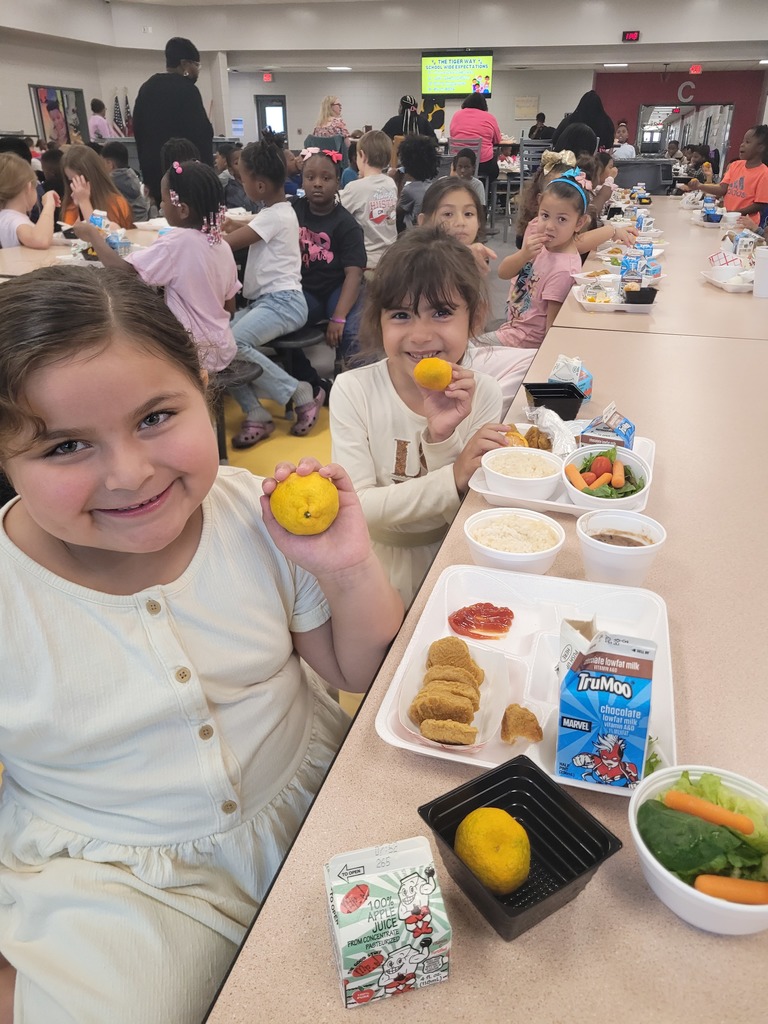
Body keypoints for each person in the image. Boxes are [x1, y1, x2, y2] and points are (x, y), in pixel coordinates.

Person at [0, 265, 403, 1024]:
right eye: (63, 449)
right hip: (114, 880)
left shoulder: (253, 511)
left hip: (312, 795)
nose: (129, 473)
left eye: (155, 418)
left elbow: (362, 673)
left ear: (205, 383)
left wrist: (347, 568)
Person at [330, 226, 506, 605]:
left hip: (453, 560)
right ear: (378, 320)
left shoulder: (485, 393)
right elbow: (358, 507)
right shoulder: (353, 391)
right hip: (372, 564)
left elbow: (471, 514)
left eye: (441, 312)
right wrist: (454, 475)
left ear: (474, 319)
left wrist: (444, 440)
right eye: (401, 315)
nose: (421, 335)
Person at [73, 159, 239, 373]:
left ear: (183, 210)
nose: (160, 205)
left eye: (163, 200)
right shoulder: (222, 245)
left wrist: (93, 236)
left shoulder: (177, 241)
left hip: (192, 351)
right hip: (224, 347)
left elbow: (121, 272)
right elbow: (231, 309)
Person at [220, 141, 323, 447]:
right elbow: (256, 225)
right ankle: (255, 412)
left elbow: (227, 244)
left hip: (284, 303)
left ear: (260, 185)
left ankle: (298, 393)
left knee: (233, 343)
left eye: (244, 180)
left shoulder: (272, 216)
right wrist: (238, 222)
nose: (244, 185)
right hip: (272, 302)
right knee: (218, 343)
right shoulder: (279, 210)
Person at [479, 169, 592, 352]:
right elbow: (503, 272)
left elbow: (552, 327)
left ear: (579, 223)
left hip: (524, 344)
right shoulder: (540, 241)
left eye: (562, 219)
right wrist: (524, 254)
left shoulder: (563, 269)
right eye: (545, 215)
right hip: (513, 327)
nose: (549, 226)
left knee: (464, 351)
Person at [293, 148, 366, 367]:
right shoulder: (293, 209)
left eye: (326, 178)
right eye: (310, 177)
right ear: (302, 181)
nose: (317, 183)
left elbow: (354, 274)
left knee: (353, 333)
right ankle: (305, 378)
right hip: (306, 289)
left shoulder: (346, 224)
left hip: (339, 288)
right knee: (281, 322)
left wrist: (338, 317)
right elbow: (264, 226)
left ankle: (352, 379)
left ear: (337, 184)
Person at [133, 36, 214, 205]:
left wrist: (147, 177)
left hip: (155, 175)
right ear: (184, 64)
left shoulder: (147, 87)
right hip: (186, 177)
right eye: (196, 65)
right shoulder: (188, 90)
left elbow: (138, 133)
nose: (197, 71)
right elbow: (202, 135)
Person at [679, 126, 768, 225]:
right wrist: (700, 186)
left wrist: (736, 213)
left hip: (745, 223)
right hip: (727, 219)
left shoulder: (764, 173)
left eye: (747, 142)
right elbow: (722, 189)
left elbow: (760, 204)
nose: (742, 145)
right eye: (743, 141)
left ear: (760, 148)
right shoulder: (735, 165)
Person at [339, 129, 397, 272]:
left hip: (367, 260)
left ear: (362, 156)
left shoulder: (355, 188)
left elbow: (337, 207)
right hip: (391, 257)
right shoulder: (390, 183)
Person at [59, 145, 134, 228]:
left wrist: (84, 202)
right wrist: (79, 208)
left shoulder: (116, 203)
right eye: (71, 181)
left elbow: (104, 234)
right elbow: (71, 235)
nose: (76, 187)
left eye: (80, 180)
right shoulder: (71, 206)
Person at [0, 152, 58, 249]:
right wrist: (49, 205)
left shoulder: (5, 216)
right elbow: (41, 240)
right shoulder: (14, 219)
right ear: (29, 187)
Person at [449, 94, 502, 184]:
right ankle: (485, 193)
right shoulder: (489, 117)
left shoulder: (456, 115)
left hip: (459, 162)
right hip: (483, 163)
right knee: (493, 171)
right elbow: (497, 140)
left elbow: (452, 134)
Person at [396, 134, 439, 231]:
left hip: (412, 234)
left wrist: (397, 182)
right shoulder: (433, 186)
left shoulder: (409, 190)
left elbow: (395, 212)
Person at [100, 140, 151, 222]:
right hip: (142, 221)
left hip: (129, 226)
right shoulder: (131, 175)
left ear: (110, 163)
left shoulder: (112, 181)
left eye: (102, 163)